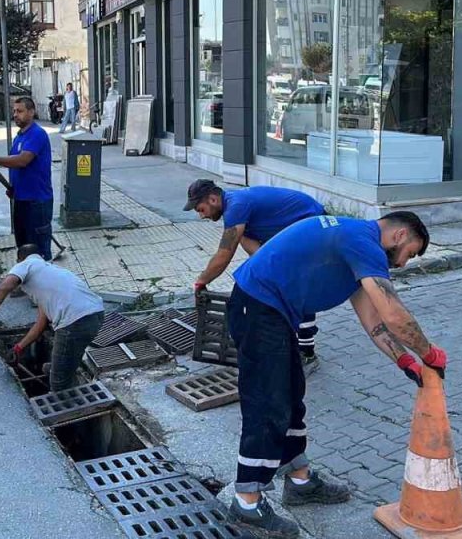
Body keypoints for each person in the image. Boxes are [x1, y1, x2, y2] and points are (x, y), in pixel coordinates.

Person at [223, 211, 445, 538]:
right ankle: (246, 503)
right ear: (399, 236)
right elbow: (393, 312)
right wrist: (428, 353)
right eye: (409, 253)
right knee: (268, 405)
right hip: (257, 308)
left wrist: (405, 362)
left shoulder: (355, 247)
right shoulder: (362, 242)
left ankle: (299, 481)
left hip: (273, 312)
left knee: (291, 397)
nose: (402, 264)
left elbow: (374, 320)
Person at [185, 179, 325, 373]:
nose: (201, 216)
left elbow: (225, 254)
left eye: (201, 209)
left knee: (296, 287)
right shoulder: (235, 210)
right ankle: (286, 339)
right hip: (295, 231)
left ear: (213, 199)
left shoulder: (237, 207)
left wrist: (201, 281)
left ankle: (307, 353)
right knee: (277, 281)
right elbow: (258, 254)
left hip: (313, 226)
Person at [0, 244, 104, 392]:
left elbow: (4, 288)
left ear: (19, 259)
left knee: (58, 384)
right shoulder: (51, 271)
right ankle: (63, 376)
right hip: (96, 315)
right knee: (60, 367)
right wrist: (18, 348)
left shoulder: (26, 264)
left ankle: (72, 406)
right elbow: (41, 324)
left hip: (73, 322)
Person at [0, 96, 54, 260]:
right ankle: (27, 282)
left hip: (37, 202)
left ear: (31, 112)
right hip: (21, 200)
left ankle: (42, 283)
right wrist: (14, 187)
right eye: (14, 111)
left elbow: (22, 161)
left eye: (20, 111)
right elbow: (15, 166)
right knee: (24, 249)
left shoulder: (37, 134)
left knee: (38, 252)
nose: (15, 114)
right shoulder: (19, 137)